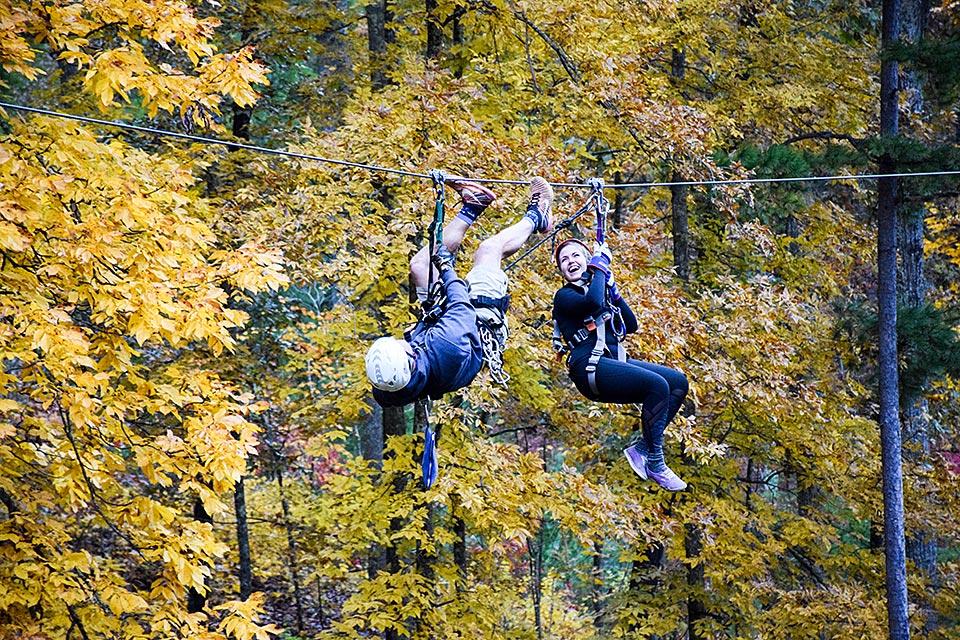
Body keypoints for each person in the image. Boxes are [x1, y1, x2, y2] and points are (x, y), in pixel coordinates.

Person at [365, 177, 554, 406]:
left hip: (440, 323)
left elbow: (385, 390)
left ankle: (473, 206)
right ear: (410, 360)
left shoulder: (388, 386)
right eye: (398, 345)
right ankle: (537, 215)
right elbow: (461, 304)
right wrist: (445, 267)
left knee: (420, 266)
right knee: (489, 250)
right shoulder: (447, 345)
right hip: (478, 319)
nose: (397, 340)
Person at [552, 238, 689, 491]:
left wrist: (613, 287)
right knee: (656, 385)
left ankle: (642, 449)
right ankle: (656, 463)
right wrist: (600, 266)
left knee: (677, 382)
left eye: (576, 256)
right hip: (589, 368)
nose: (571, 262)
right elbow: (592, 303)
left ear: (586, 260)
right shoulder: (564, 296)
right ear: (561, 270)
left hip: (611, 362)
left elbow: (632, 324)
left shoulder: (600, 291)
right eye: (564, 260)